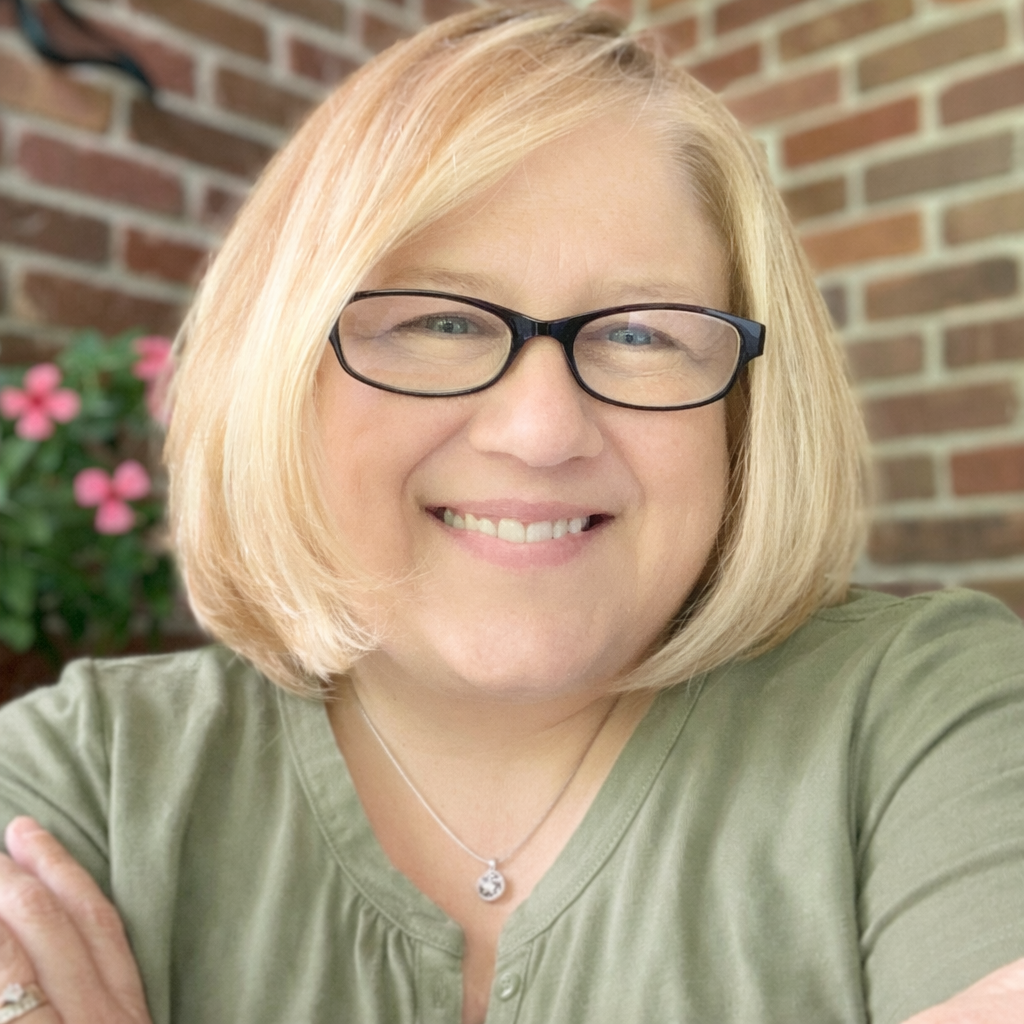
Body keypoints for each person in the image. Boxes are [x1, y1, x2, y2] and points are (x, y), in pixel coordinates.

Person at [1, 5, 1023, 1023]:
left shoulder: (922, 722)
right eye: (438, 319)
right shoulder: (81, 778)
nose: (541, 430)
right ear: (279, 370)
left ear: (746, 408)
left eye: (639, 333)